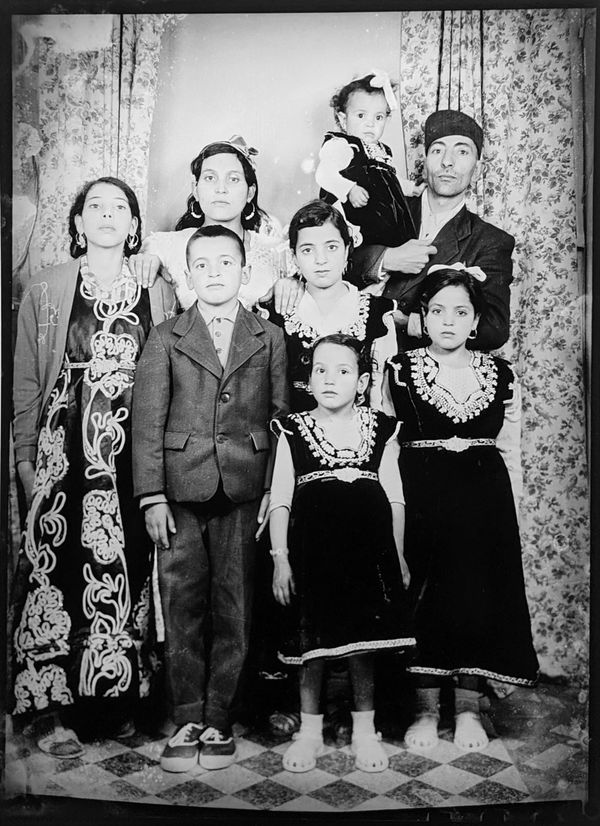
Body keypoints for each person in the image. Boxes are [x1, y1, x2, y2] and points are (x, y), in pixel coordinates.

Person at [11, 177, 177, 757]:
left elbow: (171, 375)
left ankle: (115, 703)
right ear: (78, 222)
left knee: (125, 568)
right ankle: (50, 712)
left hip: (130, 454)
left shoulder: (157, 289)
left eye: (121, 208)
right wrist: (28, 460)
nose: (108, 215)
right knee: (55, 570)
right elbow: (28, 382)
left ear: (134, 225)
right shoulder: (47, 287)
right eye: (95, 207)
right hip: (64, 457)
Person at [131, 225, 289, 772]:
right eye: (203, 265)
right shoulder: (165, 336)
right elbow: (147, 422)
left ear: (245, 272)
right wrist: (151, 495)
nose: (215, 272)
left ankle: (220, 716)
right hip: (179, 491)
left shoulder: (268, 337)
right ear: (188, 275)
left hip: (245, 490)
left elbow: (281, 419)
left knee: (236, 605)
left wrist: (272, 489)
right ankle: (187, 715)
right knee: (181, 603)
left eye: (227, 263)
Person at [386, 267, 539, 752]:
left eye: (460, 312)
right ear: (423, 319)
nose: (448, 321)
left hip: (483, 502)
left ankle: (470, 709)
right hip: (423, 498)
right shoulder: (399, 371)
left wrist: (507, 515)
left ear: (475, 322)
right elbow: (387, 446)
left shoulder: (500, 375)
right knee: (424, 600)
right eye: (437, 312)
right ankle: (426, 711)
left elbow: (509, 448)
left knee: (477, 598)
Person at [269, 334, 413, 773]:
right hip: (313, 555)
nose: (331, 379)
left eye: (344, 371)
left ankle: (365, 730)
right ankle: (309, 731)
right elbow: (280, 498)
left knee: (361, 646)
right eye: (321, 371)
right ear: (308, 379)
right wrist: (280, 558)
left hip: (368, 555)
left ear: (363, 380)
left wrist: (400, 555)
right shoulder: (292, 429)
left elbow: (395, 496)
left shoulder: (381, 429)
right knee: (312, 648)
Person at [350, 109, 515, 352]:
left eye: (461, 151)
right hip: (356, 358)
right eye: (437, 150)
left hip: (421, 372)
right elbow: (334, 261)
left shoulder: (491, 241)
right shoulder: (384, 206)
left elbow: (494, 329)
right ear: (425, 162)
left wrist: (419, 323)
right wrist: (386, 259)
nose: (447, 161)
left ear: (477, 171)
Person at [128, 136, 298, 312]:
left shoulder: (277, 253)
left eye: (233, 179)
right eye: (210, 178)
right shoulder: (164, 247)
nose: (221, 189)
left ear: (250, 192)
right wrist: (143, 261)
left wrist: (296, 285)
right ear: (195, 188)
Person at [260, 199, 399, 413]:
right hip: (292, 439)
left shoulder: (377, 313)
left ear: (346, 251)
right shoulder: (276, 312)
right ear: (294, 257)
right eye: (307, 250)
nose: (321, 259)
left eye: (331, 247)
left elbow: (382, 399)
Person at [315, 70, 420, 250]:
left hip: (386, 222)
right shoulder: (343, 145)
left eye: (378, 117)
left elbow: (391, 181)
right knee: (361, 251)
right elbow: (324, 174)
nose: (370, 123)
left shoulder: (382, 150)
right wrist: (348, 189)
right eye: (361, 115)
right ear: (343, 118)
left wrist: (411, 188)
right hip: (358, 221)